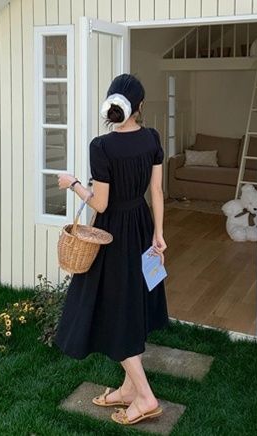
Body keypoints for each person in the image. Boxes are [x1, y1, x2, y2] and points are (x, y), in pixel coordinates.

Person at [54, 73, 169, 426]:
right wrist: (159, 235)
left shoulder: (101, 146)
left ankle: (145, 397)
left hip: (113, 235)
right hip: (142, 226)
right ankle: (129, 389)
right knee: (131, 305)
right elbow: (157, 192)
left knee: (113, 310)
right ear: (140, 106)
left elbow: (101, 204)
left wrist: (73, 183)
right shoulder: (152, 138)